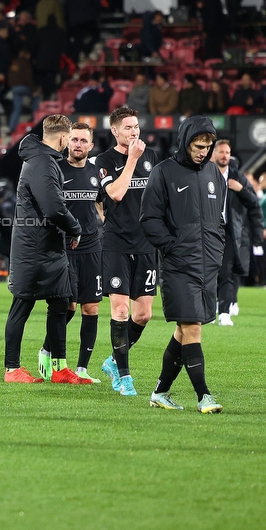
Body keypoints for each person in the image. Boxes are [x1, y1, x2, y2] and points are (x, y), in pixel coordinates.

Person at [140, 116, 225, 414]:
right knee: (192, 328)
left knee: (184, 330)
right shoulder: (163, 173)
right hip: (179, 266)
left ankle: (160, 392)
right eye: (198, 146)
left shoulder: (215, 173)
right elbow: (149, 219)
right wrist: (172, 247)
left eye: (208, 146)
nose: (203, 151)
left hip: (208, 265)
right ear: (185, 141)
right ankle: (204, 396)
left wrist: (217, 248)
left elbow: (219, 219)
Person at [3, 116, 87, 385]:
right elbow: (52, 207)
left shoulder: (43, 158)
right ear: (63, 138)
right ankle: (11, 369)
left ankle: (58, 367)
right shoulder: (41, 162)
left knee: (61, 302)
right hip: (33, 246)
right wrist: (74, 228)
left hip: (48, 245)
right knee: (22, 304)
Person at [98, 107, 159, 396]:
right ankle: (124, 376)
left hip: (146, 244)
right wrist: (132, 160)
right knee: (121, 310)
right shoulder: (105, 160)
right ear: (115, 131)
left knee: (143, 314)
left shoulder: (152, 158)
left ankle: (112, 360)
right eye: (128, 127)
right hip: (117, 244)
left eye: (136, 126)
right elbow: (117, 194)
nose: (134, 132)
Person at [58, 122, 104, 382]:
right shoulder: (57, 169)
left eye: (83, 141)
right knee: (69, 306)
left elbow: (100, 203)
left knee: (91, 308)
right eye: (74, 140)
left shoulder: (96, 172)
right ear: (67, 142)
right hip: (64, 249)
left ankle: (83, 368)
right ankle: (49, 351)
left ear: (91, 145)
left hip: (91, 248)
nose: (78, 144)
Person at [211, 140, 262, 326]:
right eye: (221, 152)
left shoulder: (239, 178)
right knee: (208, 273)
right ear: (214, 154)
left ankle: (224, 312)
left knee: (226, 272)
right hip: (208, 231)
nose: (224, 155)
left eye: (227, 152)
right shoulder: (205, 175)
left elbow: (254, 203)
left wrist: (241, 190)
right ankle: (210, 310)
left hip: (230, 230)